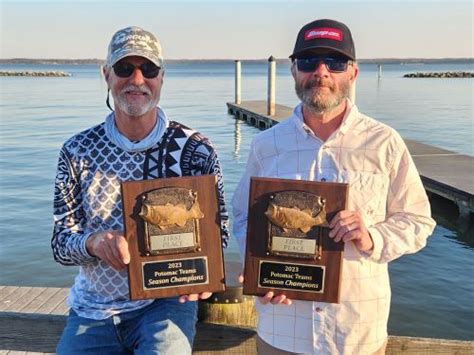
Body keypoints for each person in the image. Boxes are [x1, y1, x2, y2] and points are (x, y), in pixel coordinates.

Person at [232, 19, 435, 355]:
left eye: (335, 62)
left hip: (356, 333)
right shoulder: (266, 144)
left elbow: (418, 222)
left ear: (352, 73)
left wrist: (371, 236)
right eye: (309, 62)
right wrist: (262, 270)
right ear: (294, 71)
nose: (321, 72)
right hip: (283, 330)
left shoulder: (384, 142)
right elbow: (243, 217)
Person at [52, 26, 229, 354]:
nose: (137, 79)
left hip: (166, 304)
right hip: (93, 309)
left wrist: (204, 274)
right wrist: (93, 243)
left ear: (161, 77)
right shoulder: (76, 150)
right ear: (106, 75)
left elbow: (219, 235)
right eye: (124, 68)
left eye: (148, 69)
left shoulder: (196, 149)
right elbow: (61, 244)